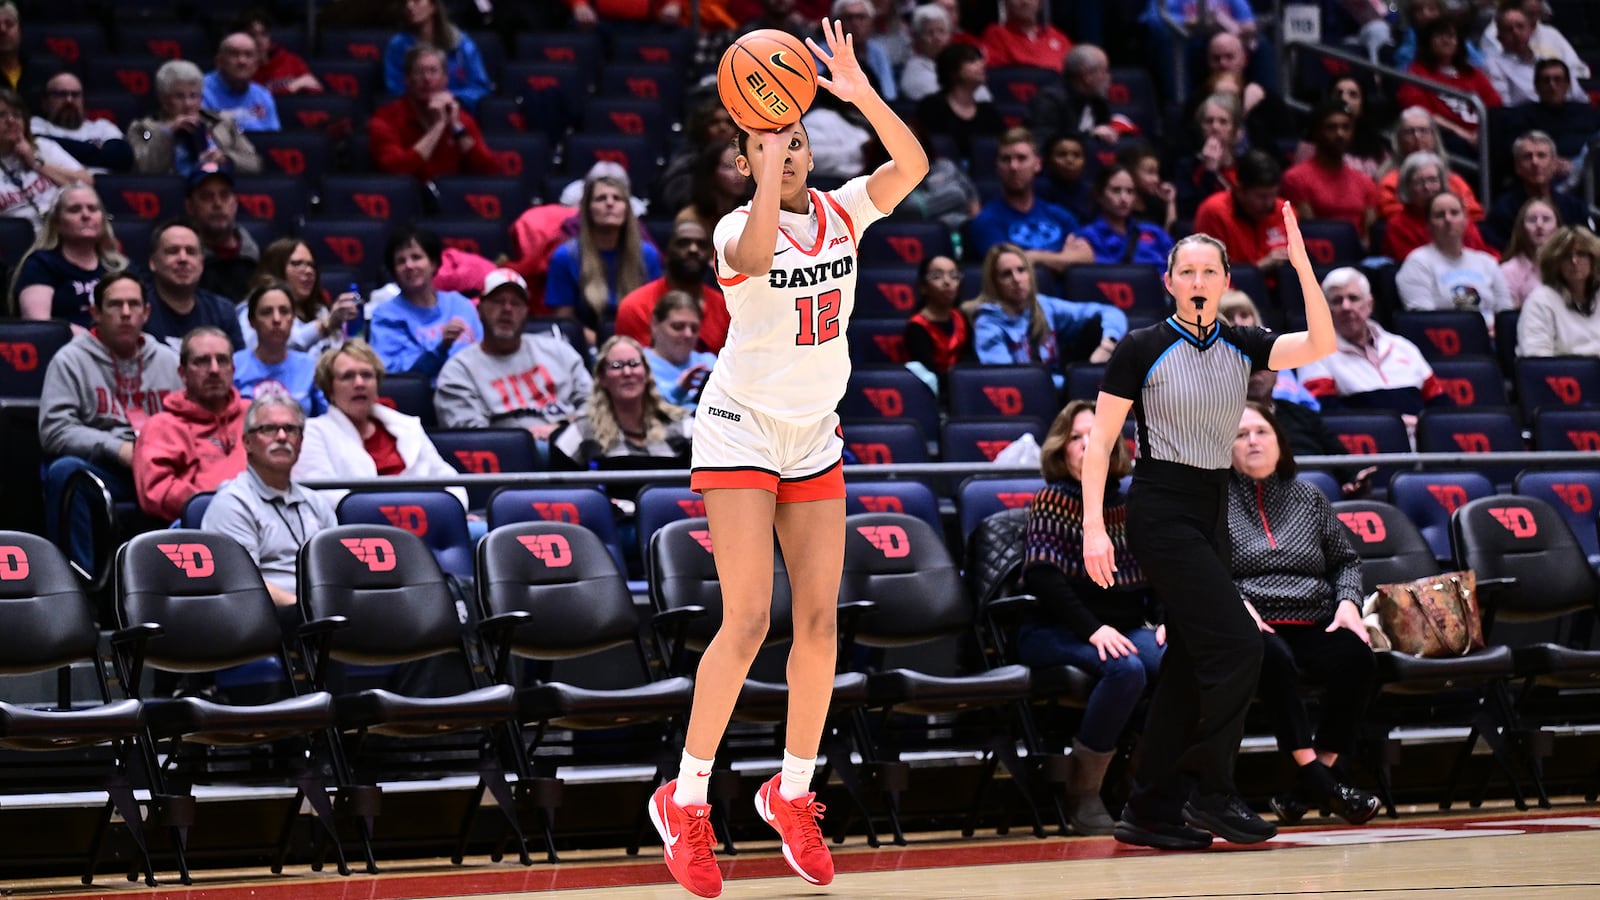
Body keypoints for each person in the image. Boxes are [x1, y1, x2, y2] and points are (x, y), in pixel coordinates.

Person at [646, 19, 927, 898]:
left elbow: (913, 167)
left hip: (813, 433)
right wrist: (762, 164)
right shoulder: (736, 225)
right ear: (746, 157)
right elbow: (763, 254)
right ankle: (685, 800)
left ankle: (791, 791)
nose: (792, 151)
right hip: (739, 429)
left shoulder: (846, 207)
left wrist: (859, 94)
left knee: (820, 624)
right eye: (773, 142)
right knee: (748, 621)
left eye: (799, 138)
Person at [1080, 205, 1337, 851]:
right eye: (1186, 270)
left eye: (1209, 270)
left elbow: (1321, 345)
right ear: (1169, 281)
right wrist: (1093, 527)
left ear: (1225, 281)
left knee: (1193, 665)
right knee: (1243, 646)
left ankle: (1149, 808)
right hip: (1161, 509)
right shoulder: (1142, 346)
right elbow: (1103, 439)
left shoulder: (1243, 343)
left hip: (1211, 509)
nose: (1198, 279)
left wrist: (1304, 268)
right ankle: (1211, 791)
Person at [1227, 402, 1380, 826]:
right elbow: (1207, 568)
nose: (1253, 441)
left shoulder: (1309, 496)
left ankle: (1309, 784)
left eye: (1262, 432)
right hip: (1252, 620)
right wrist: (1236, 606)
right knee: (1273, 661)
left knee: (1357, 658)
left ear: (1280, 442)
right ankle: (1323, 784)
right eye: (1240, 435)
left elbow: (1345, 561)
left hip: (1314, 616)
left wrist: (1348, 603)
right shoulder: (1213, 500)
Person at [1021, 400, 1165, 835]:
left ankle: (1142, 784)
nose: (1086, 446)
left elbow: (1161, 570)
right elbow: (1045, 579)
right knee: (1126, 669)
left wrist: (1164, 620)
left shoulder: (1132, 500)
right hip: (1055, 629)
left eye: (1095, 437)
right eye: (1076, 438)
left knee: (1177, 660)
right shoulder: (1052, 500)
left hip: (1122, 628)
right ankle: (1084, 791)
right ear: (1061, 450)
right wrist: (1094, 629)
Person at [38, 272, 182, 568]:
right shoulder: (70, 360)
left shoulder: (168, 360)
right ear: (96, 313)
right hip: (108, 469)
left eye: (133, 304)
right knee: (65, 473)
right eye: (116, 305)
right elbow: (54, 430)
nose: (126, 313)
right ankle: (81, 586)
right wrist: (116, 449)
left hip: (162, 467)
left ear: (147, 312)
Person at [202, 392, 337, 615]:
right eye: (269, 429)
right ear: (247, 442)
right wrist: (304, 608)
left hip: (323, 619)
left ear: (301, 442)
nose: (282, 437)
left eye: (291, 429)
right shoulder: (232, 503)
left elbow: (336, 570)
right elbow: (242, 583)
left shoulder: (316, 502)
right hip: (267, 622)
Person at [292, 339, 467, 511]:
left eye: (367, 375)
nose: (359, 384)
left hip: (428, 517)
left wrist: (454, 512)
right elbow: (325, 498)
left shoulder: (407, 426)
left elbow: (449, 479)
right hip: (364, 530)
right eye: (348, 376)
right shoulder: (314, 433)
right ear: (329, 389)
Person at [434, 268, 591, 457]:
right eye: (498, 301)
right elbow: (472, 439)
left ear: (526, 312)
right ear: (479, 309)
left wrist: (560, 429)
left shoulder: (559, 351)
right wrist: (521, 441)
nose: (507, 310)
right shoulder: (459, 370)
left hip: (573, 444)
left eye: (516, 303)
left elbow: (596, 405)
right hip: (508, 458)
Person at [132, 326, 250, 522]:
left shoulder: (255, 415)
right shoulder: (161, 426)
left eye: (222, 360)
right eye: (202, 361)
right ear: (183, 373)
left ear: (233, 368)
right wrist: (222, 506)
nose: (214, 370)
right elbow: (156, 493)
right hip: (195, 531)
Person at [1298, 267, 1445, 421]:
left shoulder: (1403, 347)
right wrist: (1394, 426)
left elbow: (1439, 402)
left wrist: (1423, 427)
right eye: (1337, 301)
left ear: (1369, 305)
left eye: (1353, 298)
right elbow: (1326, 413)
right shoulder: (1315, 353)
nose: (1346, 307)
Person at [968, 242, 1127, 381]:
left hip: (1059, 388)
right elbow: (1008, 377)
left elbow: (1111, 312)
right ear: (994, 283)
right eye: (1006, 274)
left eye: (1021, 270)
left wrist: (1108, 344)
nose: (1017, 279)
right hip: (1028, 397)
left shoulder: (1043, 305)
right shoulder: (987, 324)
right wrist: (1072, 382)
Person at [545, 173, 661, 341]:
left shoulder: (647, 255)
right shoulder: (565, 257)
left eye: (617, 198)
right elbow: (566, 323)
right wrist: (606, 345)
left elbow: (656, 316)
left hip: (639, 343)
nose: (609, 203)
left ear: (627, 209)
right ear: (587, 210)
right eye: (600, 198)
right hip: (586, 346)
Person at [551, 335, 692, 471]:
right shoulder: (581, 434)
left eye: (634, 364)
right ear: (602, 378)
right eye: (617, 366)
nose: (627, 372)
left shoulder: (683, 427)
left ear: (646, 374)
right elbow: (564, 493)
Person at [970, 127, 1093, 276]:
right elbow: (1008, 264)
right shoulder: (986, 220)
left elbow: (1087, 257)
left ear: (1037, 164)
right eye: (1006, 159)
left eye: (1021, 158)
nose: (1014, 166)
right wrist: (1063, 259)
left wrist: (1034, 257)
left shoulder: (1060, 215)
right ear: (997, 166)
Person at [369, 44, 501, 182]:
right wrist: (438, 126)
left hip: (450, 200)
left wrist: (456, 127)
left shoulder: (461, 119)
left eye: (433, 71)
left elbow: (490, 173)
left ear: (445, 78)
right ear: (407, 79)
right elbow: (396, 169)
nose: (427, 79)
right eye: (419, 72)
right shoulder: (385, 119)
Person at [368, 225, 481, 379]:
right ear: (394, 271)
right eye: (401, 261)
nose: (409, 265)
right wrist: (440, 348)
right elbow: (392, 372)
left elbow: (484, 352)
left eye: (416, 257)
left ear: (433, 263)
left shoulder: (460, 304)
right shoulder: (386, 316)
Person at [9, 184, 124, 330]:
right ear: (57, 223)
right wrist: (96, 341)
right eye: (75, 210)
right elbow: (40, 326)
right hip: (63, 349)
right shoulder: (40, 264)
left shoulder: (118, 266)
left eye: (93, 209)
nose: (86, 215)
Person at [1396, 191, 1514, 330]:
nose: (1448, 219)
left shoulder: (1487, 262)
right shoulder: (1417, 263)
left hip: (1493, 338)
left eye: (1454, 213)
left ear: (1465, 220)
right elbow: (1424, 320)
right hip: (1448, 340)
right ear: (1428, 225)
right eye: (1439, 215)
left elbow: (1506, 313)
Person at [614, 217, 730, 355]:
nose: (693, 249)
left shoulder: (725, 306)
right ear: (667, 252)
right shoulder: (634, 306)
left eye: (702, 245)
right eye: (683, 243)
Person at [128, 59, 261, 178]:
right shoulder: (143, 130)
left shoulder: (222, 122)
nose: (188, 104)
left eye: (193, 96)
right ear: (163, 100)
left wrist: (227, 158)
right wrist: (167, 133)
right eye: (179, 96)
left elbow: (255, 163)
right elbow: (144, 170)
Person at [1280, 100, 1380, 241]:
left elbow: (1369, 235)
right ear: (1317, 132)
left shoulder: (1365, 182)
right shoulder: (1295, 178)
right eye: (1331, 128)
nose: (1340, 134)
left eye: (1346, 127)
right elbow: (1311, 233)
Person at [1395, 17, 1500, 149]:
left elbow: (1494, 105)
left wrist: (1479, 133)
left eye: (1451, 36)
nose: (1446, 40)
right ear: (1429, 42)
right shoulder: (1416, 72)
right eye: (1440, 36)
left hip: (1481, 133)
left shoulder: (1472, 72)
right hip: (1444, 135)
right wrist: (1461, 132)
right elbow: (1421, 112)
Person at [142, 220, 246, 352]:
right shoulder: (137, 309)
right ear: (153, 263)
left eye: (191, 252)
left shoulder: (223, 312)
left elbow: (236, 366)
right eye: (173, 251)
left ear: (201, 263)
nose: (183, 258)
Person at [249, 238, 362, 357]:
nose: (309, 271)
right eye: (297, 264)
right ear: (276, 269)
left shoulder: (320, 311)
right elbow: (271, 347)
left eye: (311, 265)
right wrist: (324, 325)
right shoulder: (253, 310)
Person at [0, 88, 89, 232]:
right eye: (2, 115)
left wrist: (36, 163)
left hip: (66, 231)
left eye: (16, 115)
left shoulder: (42, 147)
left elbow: (86, 183)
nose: (11, 121)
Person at [1375, 107, 1485, 222]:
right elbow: (1390, 213)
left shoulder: (1455, 181)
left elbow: (1475, 214)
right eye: (1410, 132)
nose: (1417, 136)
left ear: (1434, 137)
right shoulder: (1389, 182)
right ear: (1399, 140)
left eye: (1423, 130)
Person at [234, 280, 326, 416]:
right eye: (266, 312)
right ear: (251, 321)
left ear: (293, 319)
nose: (277, 319)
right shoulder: (233, 365)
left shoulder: (309, 366)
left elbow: (326, 419)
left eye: (284, 311)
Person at [1484, 131, 1590, 248]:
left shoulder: (1574, 208)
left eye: (1541, 155)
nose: (1535, 162)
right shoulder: (1503, 209)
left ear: (1554, 164)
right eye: (1528, 157)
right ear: (1517, 167)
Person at [1380, 152, 1494, 261]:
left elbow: (1480, 253)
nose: (1427, 187)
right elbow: (1414, 264)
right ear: (1407, 187)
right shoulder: (1399, 225)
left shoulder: (1457, 216)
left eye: (1433, 180)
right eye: (1419, 182)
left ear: (1443, 183)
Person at [382, 0, 493, 112]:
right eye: (405, 2)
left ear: (433, 6)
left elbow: (480, 87)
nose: (409, 6)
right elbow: (395, 88)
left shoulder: (461, 43)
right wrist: (424, 100)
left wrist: (451, 97)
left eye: (416, 1)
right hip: (413, 114)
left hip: (457, 110)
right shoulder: (398, 45)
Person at [1193, 150, 1291, 276]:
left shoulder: (1284, 210)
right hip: (1232, 292)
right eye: (1261, 196)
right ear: (1239, 190)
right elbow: (1210, 273)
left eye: (1273, 195)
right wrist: (1260, 267)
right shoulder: (1213, 212)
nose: (1269, 204)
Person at [912, 43, 1004, 165]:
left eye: (980, 60)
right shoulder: (932, 107)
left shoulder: (989, 112)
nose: (982, 65)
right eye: (972, 60)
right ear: (953, 70)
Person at [1029, 44, 1136, 147]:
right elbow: (1042, 142)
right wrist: (1088, 136)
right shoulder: (1049, 101)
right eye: (1104, 71)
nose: (1109, 77)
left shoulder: (1099, 102)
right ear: (1087, 76)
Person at [1517, 226, 1600, 358]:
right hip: (1564, 375)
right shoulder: (1541, 300)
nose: (1574, 261)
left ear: (1593, 259)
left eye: (1581, 254)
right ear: (1555, 263)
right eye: (1566, 256)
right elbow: (1536, 359)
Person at [29, 72, 135, 174]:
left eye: (75, 95)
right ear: (45, 102)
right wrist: (95, 150)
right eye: (61, 94)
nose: (69, 100)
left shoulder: (103, 127)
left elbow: (123, 157)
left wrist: (54, 146)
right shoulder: (34, 125)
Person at [185, 162, 259, 303]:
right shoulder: (185, 263)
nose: (217, 203)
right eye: (206, 196)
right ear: (190, 206)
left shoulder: (257, 259)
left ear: (235, 203)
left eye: (224, 195)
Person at [1075, 165, 1175, 267]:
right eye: (1116, 190)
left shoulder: (1154, 231)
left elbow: (1179, 265)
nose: (1124, 198)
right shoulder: (1088, 236)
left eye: (1130, 191)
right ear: (1099, 196)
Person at [903, 254, 971, 392]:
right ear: (923, 287)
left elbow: (970, 361)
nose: (947, 282)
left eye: (953, 276)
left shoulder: (961, 318)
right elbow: (927, 372)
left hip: (963, 389)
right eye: (937, 276)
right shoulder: (917, 327)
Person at [202, 32, 281, 133]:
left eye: (248, 55)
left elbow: (273, 139)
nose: (242, 61)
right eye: (234, 54)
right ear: (219, 61)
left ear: (256, 63)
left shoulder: (263, 95)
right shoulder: (201, 91)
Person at [235, 7, 323, 95]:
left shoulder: (291, 61)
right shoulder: (239, 69)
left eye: (263, 34)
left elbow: (315, 89)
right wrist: (292, 88)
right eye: (253, 35)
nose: (259, 40)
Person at [1499, 197, 1560, 307]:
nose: (1539, 225)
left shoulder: (1570, 266)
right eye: (1532, 220)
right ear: (1521, 229)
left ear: (1558, 227)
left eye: (1546, 219)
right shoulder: (1508, 270)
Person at [982, 0, 1072, 72]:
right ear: (1005, 3)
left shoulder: (1058, 37)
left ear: (1040, 3)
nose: (1025, 2)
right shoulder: (996, 34)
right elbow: (999, 74)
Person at [1035, 132, 1093, 223]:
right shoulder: (1036, 191)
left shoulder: (1091, 193)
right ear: (1049, 160)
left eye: (1076, 155)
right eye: (1062, 155)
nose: (1070, 160)